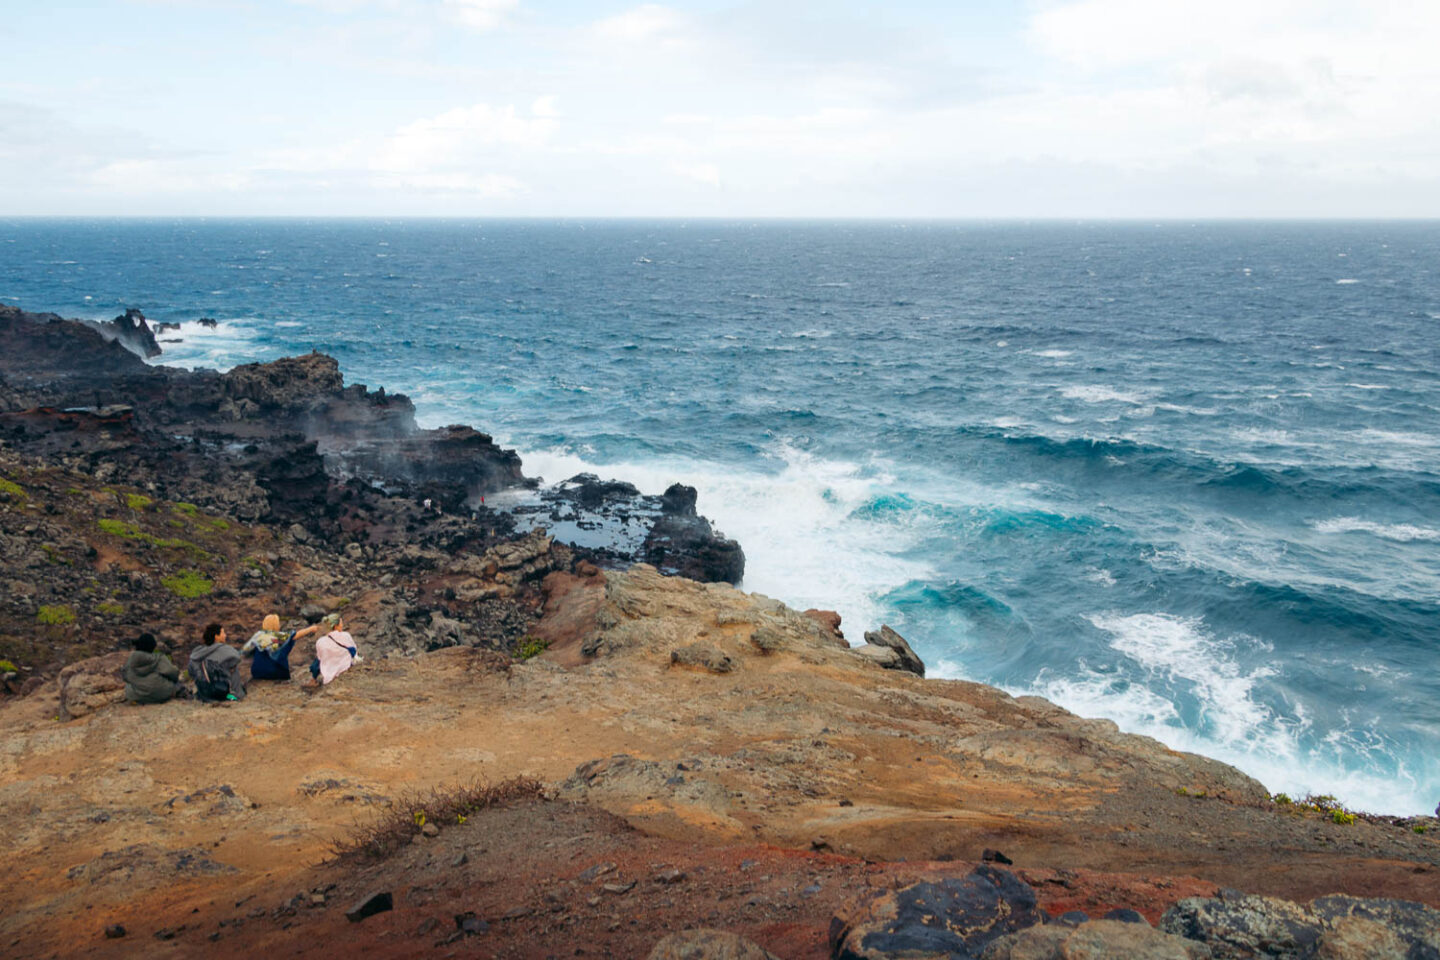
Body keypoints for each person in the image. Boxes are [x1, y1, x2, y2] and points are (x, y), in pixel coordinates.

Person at [241, 613, 321, 682]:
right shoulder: (279, 637)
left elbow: (245, 650)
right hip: (276, 672)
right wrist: (311, 628)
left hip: (258, 671)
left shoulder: (258, 636)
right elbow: (296, 635)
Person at [189, 622, 246, 702]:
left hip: (204, 693)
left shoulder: (198, 652)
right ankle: (236, 694)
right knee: (233, 667)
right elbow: (237, 657)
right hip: (221, 691)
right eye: (223, 633)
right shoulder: (224, 649)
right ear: (216, 636)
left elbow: (190, 671)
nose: (225, 635)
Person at [123, 633, 185, 704]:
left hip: (137, 696)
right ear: (152, 646)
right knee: (174, 684)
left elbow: (125, 677)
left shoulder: (130, 660)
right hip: (160, 693)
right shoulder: (158, 658)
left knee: (128, 686)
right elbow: (172, 672)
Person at [308, 616, 360, 686]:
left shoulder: (321, 641)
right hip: (345, 664)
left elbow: (320, 658)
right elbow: (354, 650)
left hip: (328, 667)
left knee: (317, 662)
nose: (342, 625)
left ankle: (313, 679)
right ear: (336, 626)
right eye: (341, 623)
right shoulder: (346, 635)